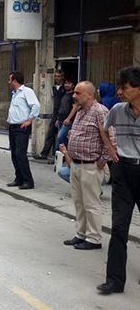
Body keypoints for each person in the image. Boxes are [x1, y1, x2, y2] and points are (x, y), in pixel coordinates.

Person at [96, 66, 140, 295]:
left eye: (124, 88)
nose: (120, 92)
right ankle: (114, 280)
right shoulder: (116, 110)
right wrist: (110, 148)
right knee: (119, 227)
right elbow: (104, 130)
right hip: (122, 171)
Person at [60, 81, 111, 251]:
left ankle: (94, 238)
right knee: (79, 202)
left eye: (78, 92)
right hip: (76, 163)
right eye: (74, 92)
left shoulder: (100, 111)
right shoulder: (80, 111)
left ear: (89, 94)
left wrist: (103, 159)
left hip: (91, 165)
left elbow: (111, 138)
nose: (74, 95)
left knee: (91, 204)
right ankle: (81, 234)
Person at [6, 71, 40, 190]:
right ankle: (18, 178)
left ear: (15, 80)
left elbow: (36, 105)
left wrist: (29, 120)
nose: (8, 82)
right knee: (14, 154)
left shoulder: (27, 91)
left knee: (20, 154)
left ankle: (28, 180)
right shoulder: (14, 93)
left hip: (22, 127)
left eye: (10, 80)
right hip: (13, 126)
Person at [35, 70, 65, 161]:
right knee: (50, 134)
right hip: (55, 114)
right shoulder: (54, 88)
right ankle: (44, 153)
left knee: (60, 136)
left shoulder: (65, 89)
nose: (57, 78)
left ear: (62, 77)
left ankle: (59, 157)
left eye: (59, 76)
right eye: (55, 76)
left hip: (62, 115)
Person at [54, 79, 76, 151]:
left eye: (69, 83)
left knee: (60, 137)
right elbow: (61, 107)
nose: (66, 85)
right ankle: (59, 157)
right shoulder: (64, 94)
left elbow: (75, 108)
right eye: (65, 83)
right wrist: (57, 119)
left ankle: (58, 155)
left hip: (67, 121)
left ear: (73, 85)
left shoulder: (73, 96)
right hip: (60, 119)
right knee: (61, 138)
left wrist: (68, 119)